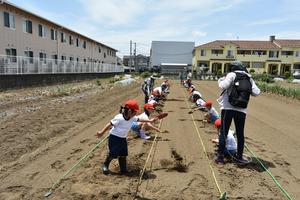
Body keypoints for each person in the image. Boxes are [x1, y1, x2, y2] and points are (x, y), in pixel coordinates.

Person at [215, 61, 260, 165]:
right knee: (240, 134)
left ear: (233, 67)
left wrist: (220, 80)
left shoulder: (232, 74)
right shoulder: (249, 77)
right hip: (242, 110)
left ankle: (220, 157)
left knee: (224, 132)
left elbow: (223, 86)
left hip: (228, 108)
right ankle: (239, 157)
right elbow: (257, 92)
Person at [96, 99, 157, 175]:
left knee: (123, 154)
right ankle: (105, 164)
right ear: (129, 111)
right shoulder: (119, 118)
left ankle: (123, 170)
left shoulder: (132, 118)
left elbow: (140, 119)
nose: (135, 114)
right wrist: (101, 132)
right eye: (134, 112)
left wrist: (150, 121)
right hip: (114, 138)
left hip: (123, 138)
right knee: (113, 154)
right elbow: (109, 124)